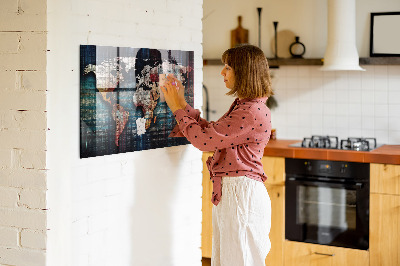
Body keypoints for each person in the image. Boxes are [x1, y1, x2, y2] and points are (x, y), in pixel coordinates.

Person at [161, 44, 273, 266]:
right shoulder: (246, 106)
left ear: (244, 72)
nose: (222, 72)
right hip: (236, 193)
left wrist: (176, 108)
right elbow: (212, 133)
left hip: (241, 195)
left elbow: (204, 141)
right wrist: (182, 104)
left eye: (228, 67)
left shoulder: (250, 111)